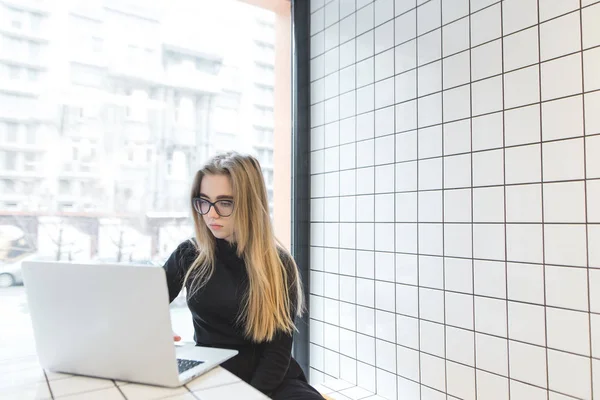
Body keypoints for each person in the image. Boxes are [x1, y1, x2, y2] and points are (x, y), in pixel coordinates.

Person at [163, 152, 324, 399]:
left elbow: (276, 355)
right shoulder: (190, 254)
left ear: (249, 204)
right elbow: (146, 305)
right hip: (212, 374)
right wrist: (157, 330)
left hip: (271, 380)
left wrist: (249, 396)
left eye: (225, 203)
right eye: (204, 201)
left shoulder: (278, 265)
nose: (211, 214)